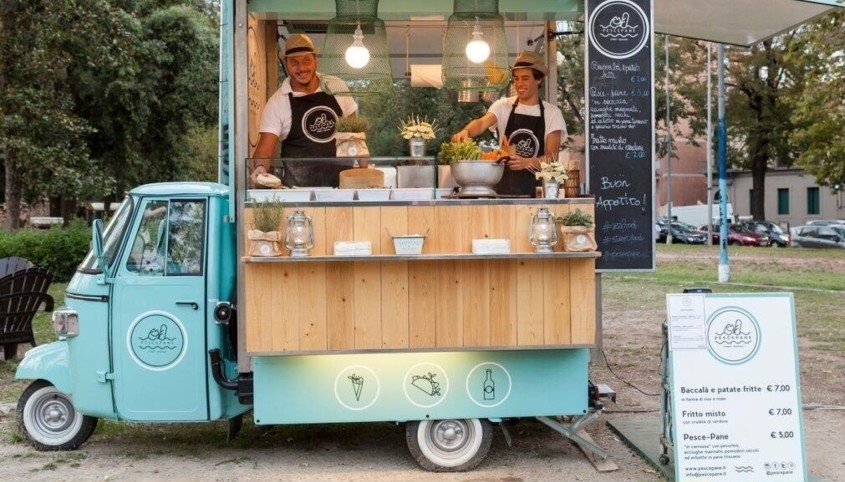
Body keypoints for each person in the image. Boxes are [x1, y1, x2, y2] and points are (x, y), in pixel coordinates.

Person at [452, 50, 567, 196]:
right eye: (516, 79)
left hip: (538, 193)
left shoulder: (552, 113)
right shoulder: (503, 105)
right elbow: (481, 123)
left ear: (538, 80)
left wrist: (526, 162)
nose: (519, 84)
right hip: (503, 190)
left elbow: (552, 158)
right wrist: (467, 132)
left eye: (525, 78)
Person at [252, 34, 359, 187]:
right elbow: (264, 150)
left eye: (306, 60)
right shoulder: (277, 103)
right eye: (294, 62)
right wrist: (260, 168)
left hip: (342, 189)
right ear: (286, 63)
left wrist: (363, 171)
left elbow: (355, 138)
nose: (301, 68)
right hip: (299, 193)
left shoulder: (336, 86)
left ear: (315, 60)